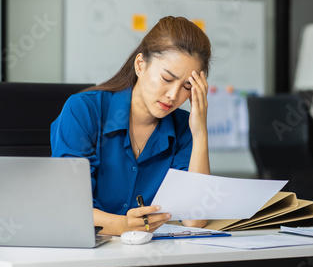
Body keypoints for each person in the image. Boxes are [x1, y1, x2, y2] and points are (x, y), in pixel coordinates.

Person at [51, 16, 211, 236]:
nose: (173, 95)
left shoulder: (184, 127)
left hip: (151, 258)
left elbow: (195, 219)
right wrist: (125, 225)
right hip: (85, 255)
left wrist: (201, 132)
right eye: (167, 78)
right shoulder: (83, 111)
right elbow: (70, 208)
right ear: (140, 65)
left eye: (186, 87)